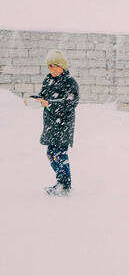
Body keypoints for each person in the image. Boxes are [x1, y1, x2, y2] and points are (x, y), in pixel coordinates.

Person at [30, 50, 79, 196]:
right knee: (51, 154)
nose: (52, 69)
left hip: (63, 125)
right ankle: (60, 181)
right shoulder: (48, 80)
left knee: (60, 154)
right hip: (51, 124)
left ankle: (65, 185)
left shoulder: (70, 82)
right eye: (49, 66)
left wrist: (49, 103)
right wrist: (35, 99)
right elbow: (43, 96)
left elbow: (70, 104)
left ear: (62, 66)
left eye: (55, 66)